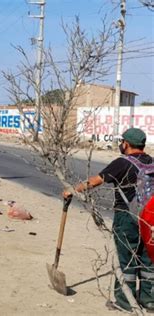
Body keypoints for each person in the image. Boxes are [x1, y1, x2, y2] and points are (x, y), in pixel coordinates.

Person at [63, 128, 154, 312]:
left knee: (126, 258)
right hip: (150, 218)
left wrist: (72, 190)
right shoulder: (152, 163)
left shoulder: (121, 163)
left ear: (126, 143)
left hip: (127, 217)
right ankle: (149, 300)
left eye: (122, 142)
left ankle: (124, 302)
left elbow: (95, 181)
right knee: (147, 260)